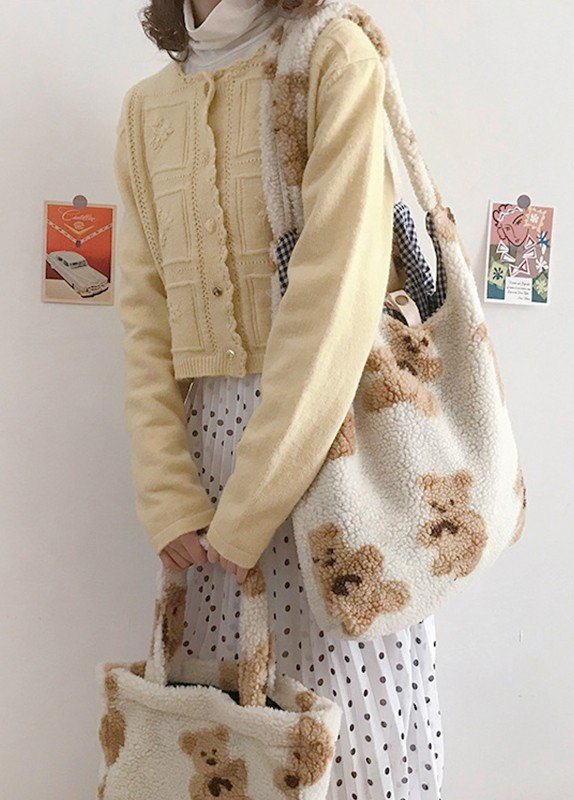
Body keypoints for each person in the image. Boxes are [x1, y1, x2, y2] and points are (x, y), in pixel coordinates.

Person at [114, 0, 444, 796]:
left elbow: (337, 297)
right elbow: (143, 313)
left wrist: (254, 501)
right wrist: (166, 492)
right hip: (204, 469)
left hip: (335, 450)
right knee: (229, 739)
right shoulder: (145, 108)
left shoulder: (333, 55)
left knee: (349, 729)